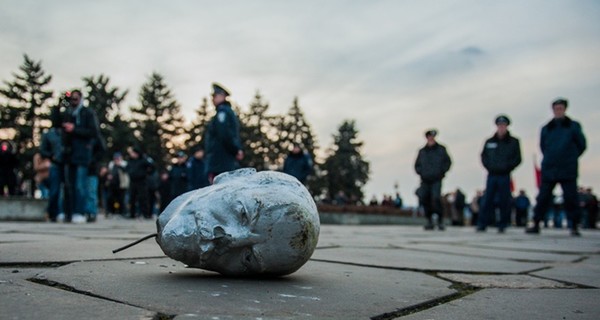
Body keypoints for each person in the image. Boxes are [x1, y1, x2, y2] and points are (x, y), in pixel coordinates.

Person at [526, 98, 586, 236]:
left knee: (570, 197)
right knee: (543, 197)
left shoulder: (573, 126)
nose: (558, 111)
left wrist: (570, 157)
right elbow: (543, 146)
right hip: (550, 168)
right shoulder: (546, 128)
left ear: (565, 109)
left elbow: (582, 145)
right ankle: (536, 222)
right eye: (556, 108)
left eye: (560, 108)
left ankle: (574, 225)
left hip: (567, 168)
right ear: (553, 110)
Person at [477, 115, 522, 233]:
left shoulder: (513, 142)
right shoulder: (489, 141)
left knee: (504, 199)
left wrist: (507, 167)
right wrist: (489, 167)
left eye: (503, 125)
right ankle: (482, 223)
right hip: (492, 174)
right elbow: (484, 156)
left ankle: (503, 223)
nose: (501, 127)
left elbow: (517, 158)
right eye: (499, 125)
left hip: (505, 175)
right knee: (487, 199)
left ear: (507, 126)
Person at [60, 89, 100, 223]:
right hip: (69, 155)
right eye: (71, 99)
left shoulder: (88, 113)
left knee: (80, 185)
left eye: (76, 99)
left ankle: (79, 212)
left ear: (81, 99)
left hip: (82, 155)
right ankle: (68, 213)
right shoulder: (67, 113)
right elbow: (56, 123)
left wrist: (74, 129)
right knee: (68, 185)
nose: (73, 102)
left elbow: (94, 132)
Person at [204, 83, 243, 184]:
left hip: (221, 162)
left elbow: (225, 135)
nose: (212, 99)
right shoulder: (223, 112)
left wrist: (235, 150)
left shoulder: (223, 112)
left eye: (215, 96)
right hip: (222, 162)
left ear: (222, 96)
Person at [414, 129, 452, 230]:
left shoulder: (441, 149)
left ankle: (440, 220)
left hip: (436, 179)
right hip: (425, 179)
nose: (431, 138)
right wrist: (421, 172)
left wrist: (442, 172)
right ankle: (429, 220)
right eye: (429, 137)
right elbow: (417, 165)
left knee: (435, 198)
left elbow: (447, 162)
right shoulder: (422, 151)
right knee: (424, 198)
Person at [40, 108, 64, 222]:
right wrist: (51, 156)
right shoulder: (49, 134)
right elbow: (43, 150)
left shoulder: (67, 133)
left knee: (69, 190)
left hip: (68, 164)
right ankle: (53, 213)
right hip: (55, 164)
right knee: (54, 190)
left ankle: (66, 212)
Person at [126, 146, 154, 219]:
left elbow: (152, 167)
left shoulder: (143, 160)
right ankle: (132, 214)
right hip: (133, 181)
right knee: (132, 198)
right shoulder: (130, 161)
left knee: (143, 198)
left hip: (142, 181)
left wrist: (147, 173)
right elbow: (127, 168)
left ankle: (145, 214)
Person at [106, 152, 128, 217]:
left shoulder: (124, 164)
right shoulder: (111, 164)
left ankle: (123, 212)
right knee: (110, 198)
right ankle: (111, 212)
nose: (116, 160)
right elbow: (109, 172)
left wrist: (119, 165)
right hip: (112, 185)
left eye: (118, 158)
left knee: (122, 199)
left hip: (122, 185)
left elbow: (126, 172)